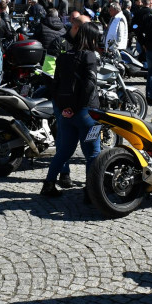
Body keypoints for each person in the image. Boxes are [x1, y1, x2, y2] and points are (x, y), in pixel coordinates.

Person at [41, 22, 102, 197]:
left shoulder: (64, 55)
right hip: (87, 113)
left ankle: (49, 184)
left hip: (67, 113)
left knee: (64, 151)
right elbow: (90, 85)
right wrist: (76, 107)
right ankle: (91, 192)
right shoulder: (89, 56)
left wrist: (64, 108)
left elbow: (55, 84)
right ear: (91, 38)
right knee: (93, 153)